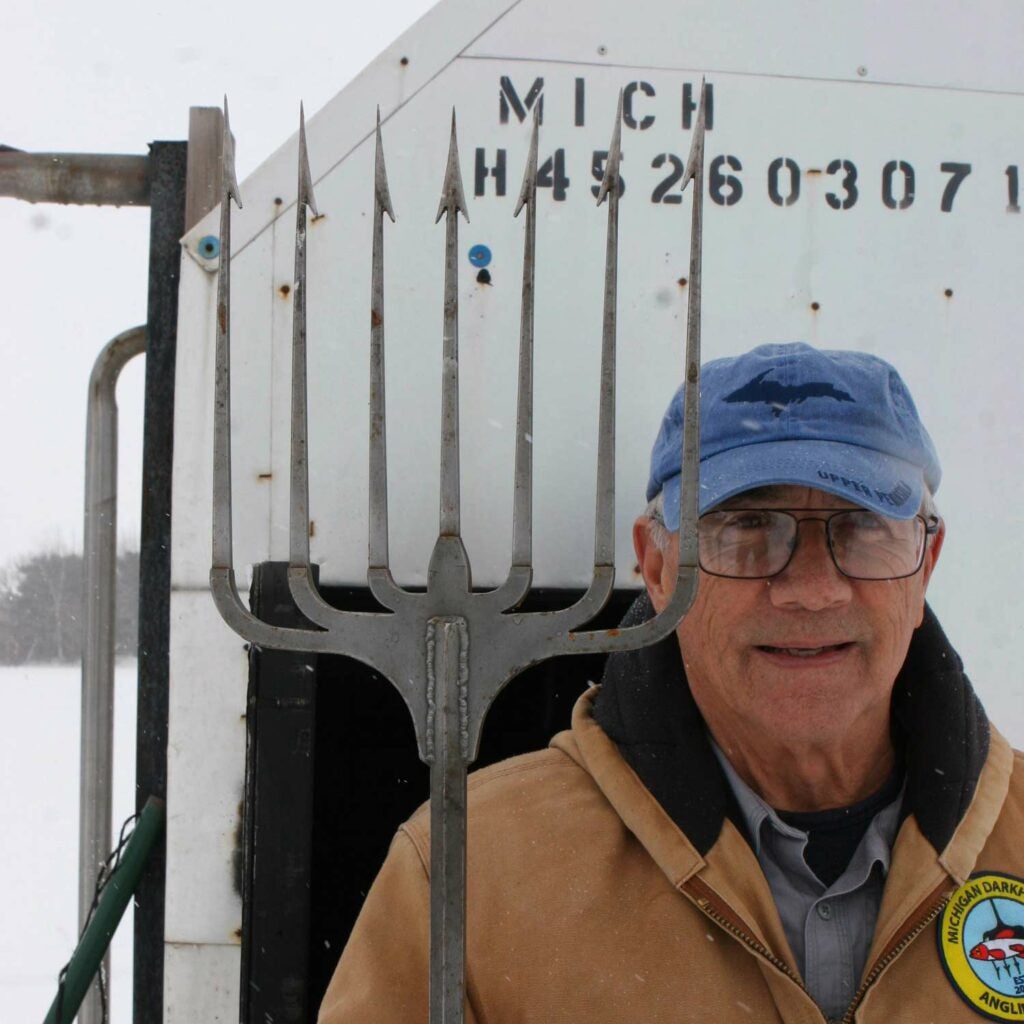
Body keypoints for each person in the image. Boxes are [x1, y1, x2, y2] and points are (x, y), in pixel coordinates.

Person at [318, 343, 1024, 1024]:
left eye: (863, 527)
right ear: (657, 568)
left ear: (926, 559)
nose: (812, 590)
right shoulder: (471, 870)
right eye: (747, 527)